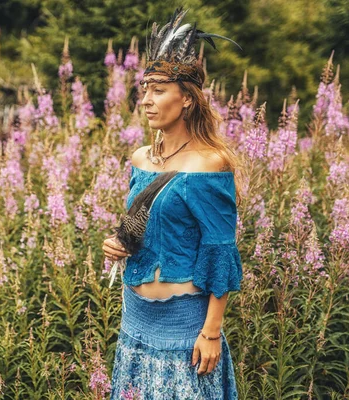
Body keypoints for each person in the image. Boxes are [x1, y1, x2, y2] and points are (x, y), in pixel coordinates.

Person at [102, 8, 244, 399]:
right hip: (136, 321)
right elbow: (148, 226)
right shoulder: (141, 159)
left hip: (185, 330)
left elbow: (221, 251)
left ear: (186, 100)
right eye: (144, 89)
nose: (146, 100)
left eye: (158, 90)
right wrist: (119, 245)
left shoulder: (209, 164)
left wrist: (211, 332)